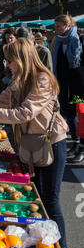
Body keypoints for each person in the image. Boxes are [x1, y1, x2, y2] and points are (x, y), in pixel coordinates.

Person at [0, 38, 69, 248]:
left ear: (21, 59)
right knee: (38, 195)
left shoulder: (42, 80)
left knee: (50, 198)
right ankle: (43, 241)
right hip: (33, 142)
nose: (7, 65)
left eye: (10, 61)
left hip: (51, 143)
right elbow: (0, 101)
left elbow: (24, 113)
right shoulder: (19, 80)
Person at [52, 15, 83, 161]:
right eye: (55, 26)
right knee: (69, 114)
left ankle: (82, 148)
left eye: (59, 26)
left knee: (80, 116)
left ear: (68, 25)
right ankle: (76, 144)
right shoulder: (58, 41)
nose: (56, 29)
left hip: (78, 84)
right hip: (63, 83)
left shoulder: (78, 39)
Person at [0, 28, 16, 95]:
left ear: (15, 37)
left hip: (14, 81)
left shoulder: (19, 51)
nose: (9, 40)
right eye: (7, 38)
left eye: (11, 38)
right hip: (2, 80)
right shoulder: (2, 50)